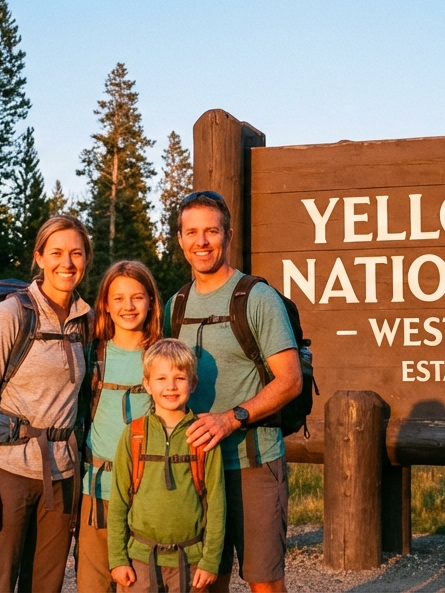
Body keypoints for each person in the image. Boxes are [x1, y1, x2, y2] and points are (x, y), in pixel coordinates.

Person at [169, 191, 302, 593]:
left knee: (264, 581)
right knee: (206, 581)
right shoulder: (174, 305)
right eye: (192, 232)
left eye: (211, 230)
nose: (202, 241)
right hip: (196, 467)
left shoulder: (257, 297)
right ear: (180, 239)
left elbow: (290, 379)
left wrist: (231, 419)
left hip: (254, 462)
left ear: (228, 234)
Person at [0, 215, 93, 593]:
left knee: (45, 587)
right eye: (56, 253)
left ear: (87, 258)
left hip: (63, 476)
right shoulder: (12, 314)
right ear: (39, 257)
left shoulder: (84, 321)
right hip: (9, 472)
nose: (66, 263)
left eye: (76, 253)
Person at [108, 339, 225, 593]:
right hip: (139, 560)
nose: (170, 387)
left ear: (193, 383)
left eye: (179, 378)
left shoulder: (203, 435)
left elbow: (216, 504)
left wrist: (210, 560)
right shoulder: (134, 434)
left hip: (191, 563)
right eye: (161, 378)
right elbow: (118, 500)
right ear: (147, 384)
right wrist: (117, 559)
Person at [78, 260, 161, 592]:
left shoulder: (161, 355)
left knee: (140, 584)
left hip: (145, 492)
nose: (128, 306)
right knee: (93, 584)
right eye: (119, 298)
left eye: (137, 297)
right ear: (106, 306)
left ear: (151, 301)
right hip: (95, 490)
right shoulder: (92, 354)